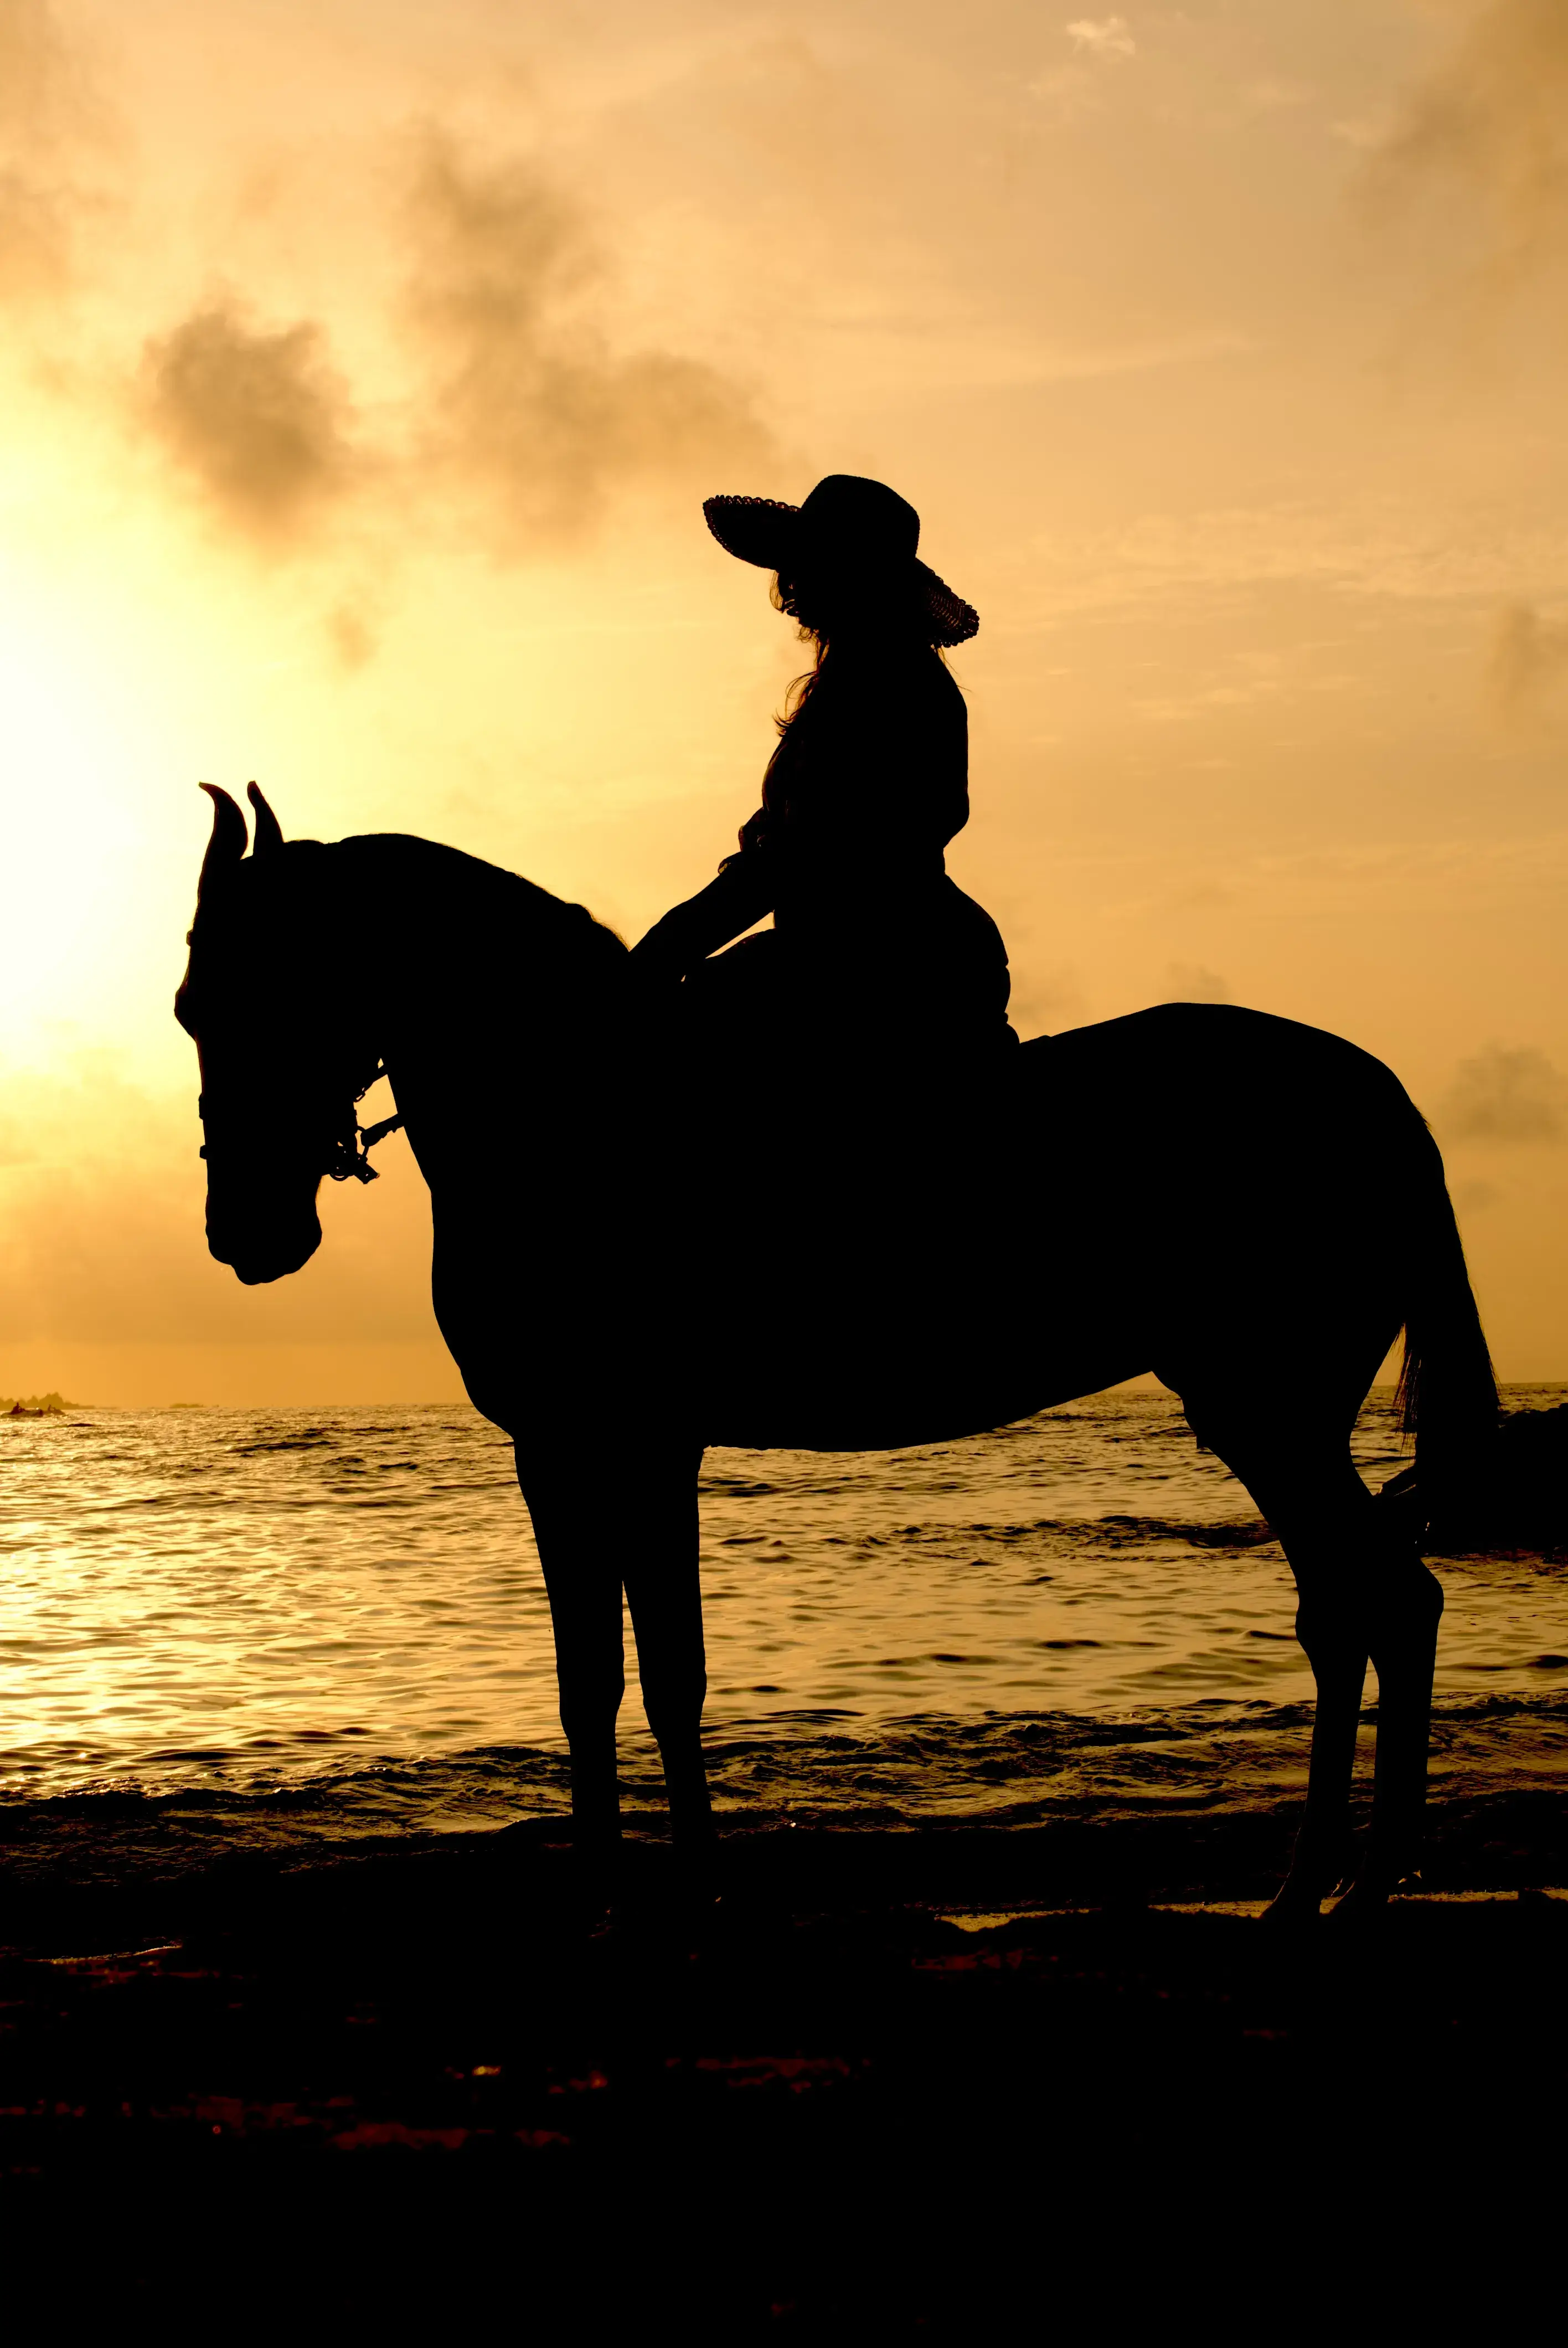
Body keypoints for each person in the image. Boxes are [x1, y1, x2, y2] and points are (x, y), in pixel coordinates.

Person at [630, 475, 1018, 1090]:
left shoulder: (880, 689)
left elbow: (799, 854)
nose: (791, 591)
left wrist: (661, 952)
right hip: (893, 949)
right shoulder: (872, 683)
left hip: (880, 961)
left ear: (852, 579)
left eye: (808, 569)